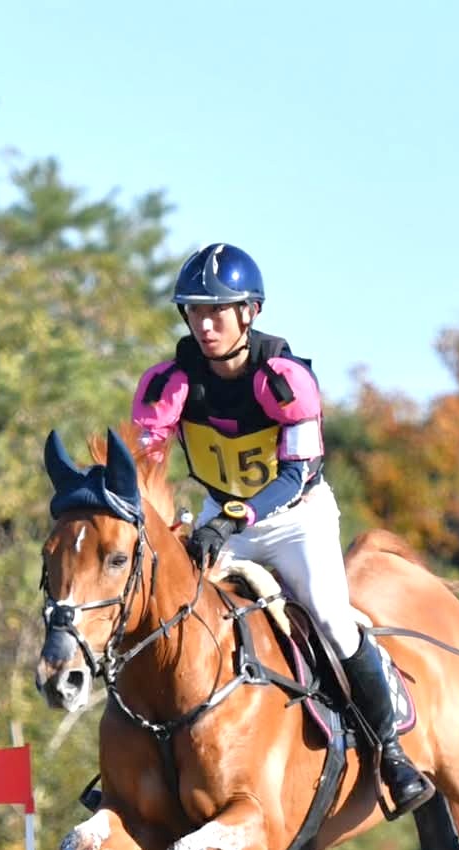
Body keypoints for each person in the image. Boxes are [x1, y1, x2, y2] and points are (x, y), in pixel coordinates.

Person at [131, 242, 433, 817]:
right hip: (223, 515)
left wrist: (237, 516)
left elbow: (297, 472)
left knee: (327, 613)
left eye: (219, 310)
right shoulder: (166, 383)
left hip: (294, 517)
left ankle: (391, 749)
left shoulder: (284, 378)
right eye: (195, 310)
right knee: (163, 611)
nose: (206, 322)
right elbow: (149, 461)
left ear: (251, 313)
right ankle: (135, 757)